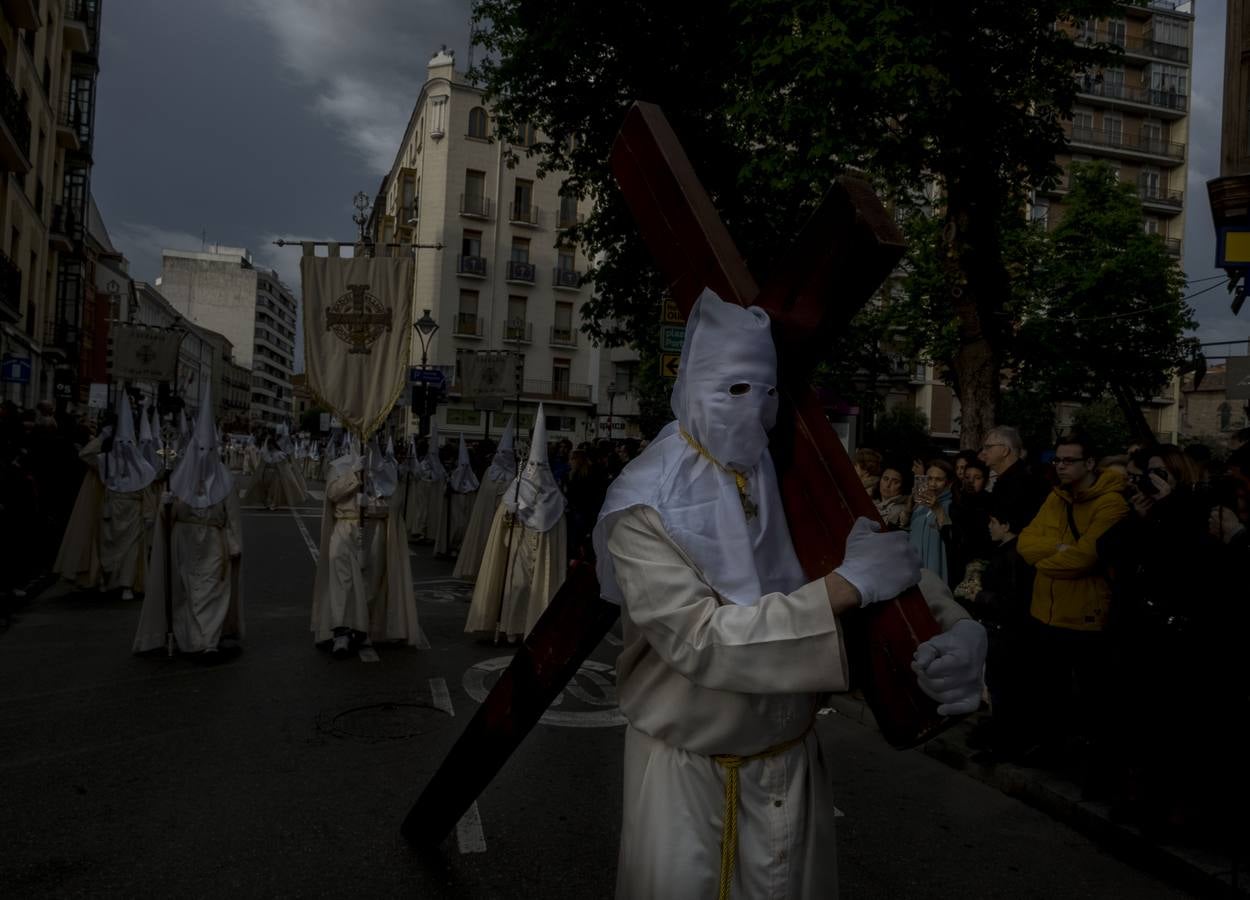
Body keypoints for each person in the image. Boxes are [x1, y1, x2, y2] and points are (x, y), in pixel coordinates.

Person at [591, 289, 987, 899]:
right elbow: (702, 642)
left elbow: (872, 556)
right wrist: (844, 589)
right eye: (735, 389)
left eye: (768, 390)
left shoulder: (786, 469)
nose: (755, 408)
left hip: (791, 768)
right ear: (693, 383)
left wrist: (952, 626)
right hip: (685, 780)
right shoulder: (644, 505)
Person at [1016, 432, 1127, 759]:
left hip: (1085, 615)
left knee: (1091, 694)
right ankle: (1049, 747)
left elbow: (1084, 558)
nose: (1060, 466)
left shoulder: (1111, 503)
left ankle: (1093, 757)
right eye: (1057, 460)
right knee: (1049, 688)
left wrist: (1046, 557)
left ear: (1089, 462)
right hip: (1046, 610)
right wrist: (1057, 549)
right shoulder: (1057, 497)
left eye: (1069, 460)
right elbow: (1025, 543)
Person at [133, 387, 244, 658]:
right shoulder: (179, 479)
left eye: (209, 449)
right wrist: (168, 503)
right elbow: (167, 518)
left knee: (211, 590)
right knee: (185, 591)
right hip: (183, 541)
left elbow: (232, 518)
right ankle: (188, 638)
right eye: (200, 449)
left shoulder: (226, 480)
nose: (205, 454)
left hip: (213, 543)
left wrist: (234, 544)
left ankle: (208, 642)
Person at [464, 406, 567, 642]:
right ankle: (511, 627)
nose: (536, 472)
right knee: (518, 586)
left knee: (539, 589)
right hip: (518, 545)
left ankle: (532, 628)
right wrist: (509, 514)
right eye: (533, 466)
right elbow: (504, 513)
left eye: (540, 467)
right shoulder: (517, 487)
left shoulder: (555, 496)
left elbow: (559, 526)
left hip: (541, 552)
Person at [98, 392, 158, 599]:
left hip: (132, 514)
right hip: (112, 513)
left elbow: (147, 494)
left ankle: (126, 585)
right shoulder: (109, 464)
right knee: (108, 549)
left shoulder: (142, 471)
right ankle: (108, 581)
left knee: (131, 552)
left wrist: (148, 515)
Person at [454, 418, 517, 580]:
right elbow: (483, 497)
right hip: (485, 518)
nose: (503, 457)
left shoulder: (514, 476)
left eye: (506, 454)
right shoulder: (489, 472)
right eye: (500, 453)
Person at [52, 423, 110, 590]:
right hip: (96, 495)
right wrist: (101, 439)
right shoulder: (99, 457)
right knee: (92, 531)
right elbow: (86, 454)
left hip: (114, 497)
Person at [908, 458, 954, 581]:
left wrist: (937, 508)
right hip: (913, 567)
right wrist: (909, 504)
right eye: (929, 478)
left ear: (949, 483)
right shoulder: (920, 505)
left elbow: (952, 537)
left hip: (935, 568)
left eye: (939, 480)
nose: (933, 484)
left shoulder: (952, 506)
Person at [434, 434, 479, 558]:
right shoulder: (454, 473)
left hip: (466, 502)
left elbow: (474, 486)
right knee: (456, 525)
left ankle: (459, 547)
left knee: (464, 526)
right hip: (455, 503)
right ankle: (449, 546)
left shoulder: (472, 475)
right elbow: (451, 486)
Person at [873, 462, 913, 531]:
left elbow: (903, 521)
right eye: (885, 479)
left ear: (903, 486)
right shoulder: (872, 502)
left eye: (895, 482)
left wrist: (906, 514)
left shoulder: (900, 509)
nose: (888, 485)